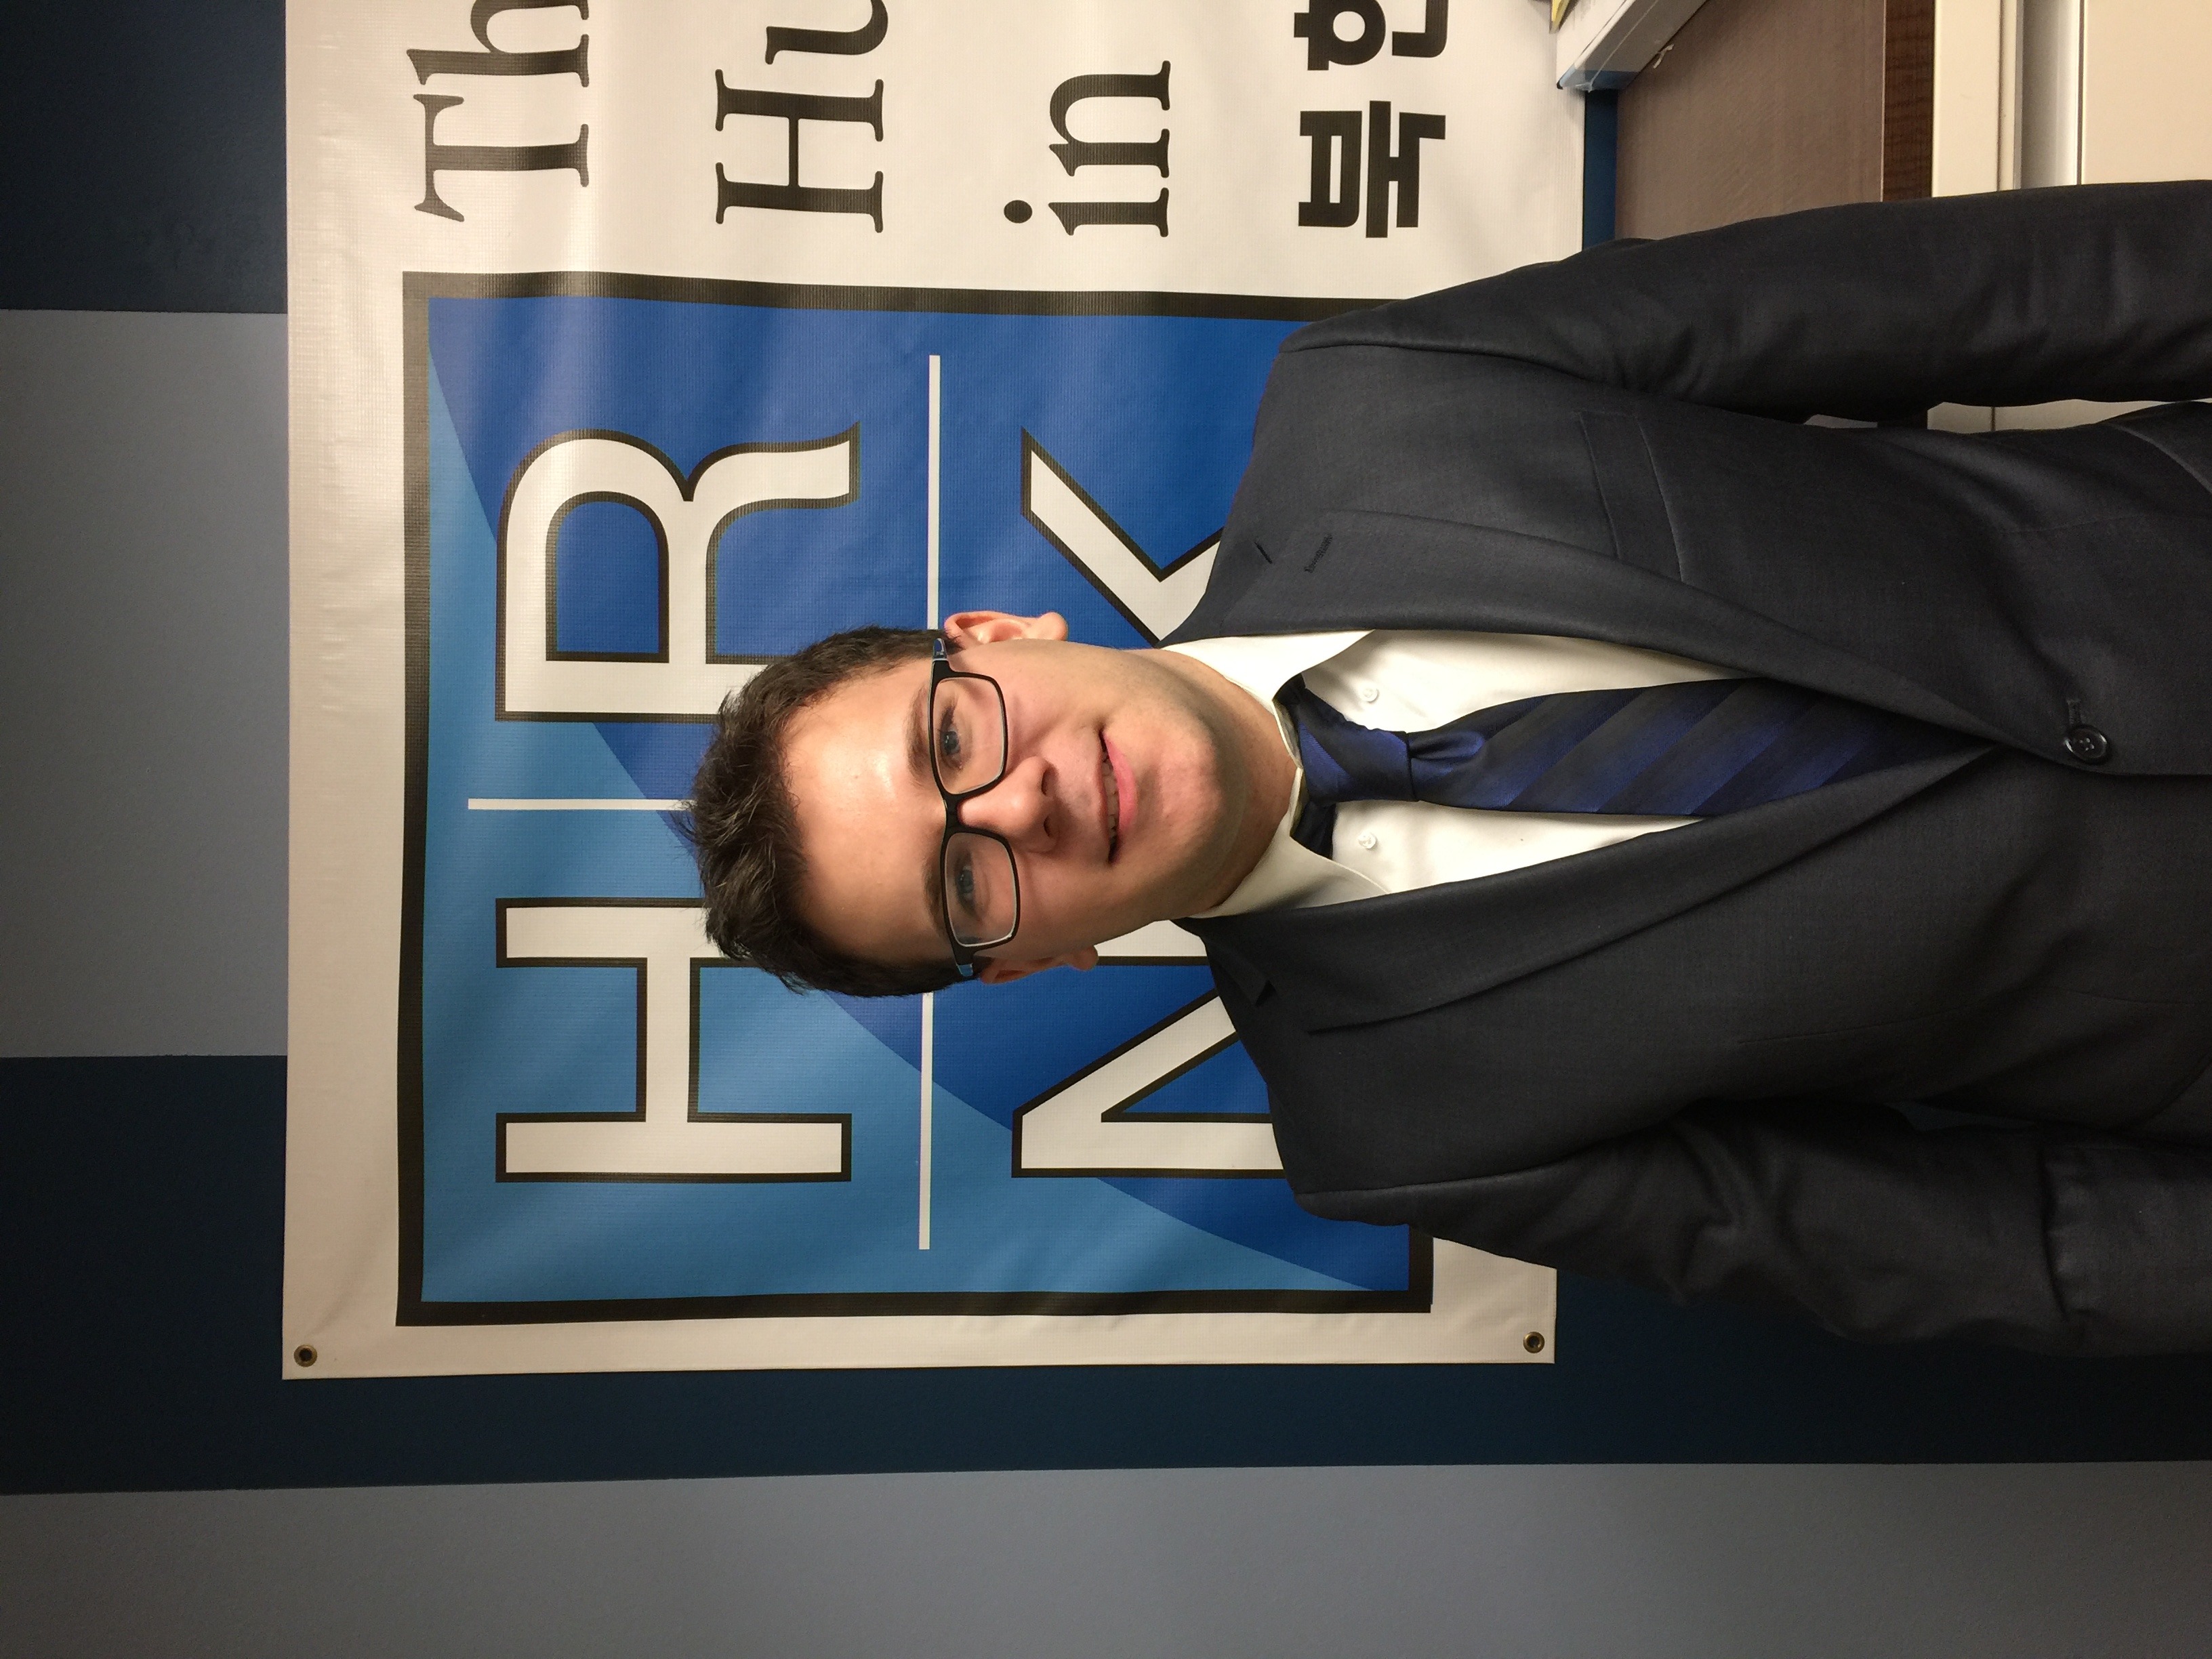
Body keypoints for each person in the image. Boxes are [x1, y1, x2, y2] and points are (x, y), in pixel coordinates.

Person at [688, 182, 2212, 1355]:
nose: (1020, 802)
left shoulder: (1382, 395)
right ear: (1028, 961)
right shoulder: (1396, 1136)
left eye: (951, 739)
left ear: (995, 632)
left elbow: (1975, 290)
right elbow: (2025, 1255)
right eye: (966, 882)